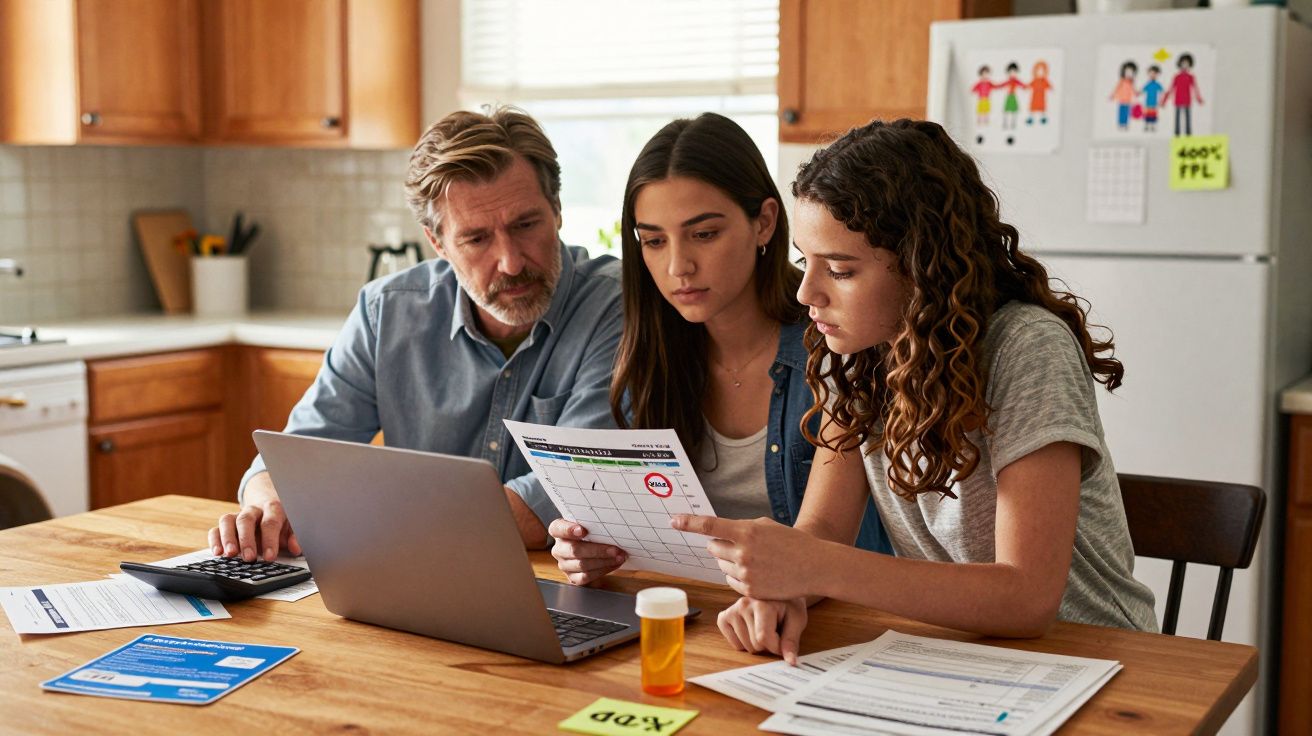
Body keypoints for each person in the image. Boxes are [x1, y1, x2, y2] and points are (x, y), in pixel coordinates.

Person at [672, 119, 1158, 664]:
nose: (808, 292)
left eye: (840, 269)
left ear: (923, 268)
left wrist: (814, 566)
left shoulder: (1025, 347)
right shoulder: (854, 354)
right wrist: (782, 589)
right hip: (956, 658)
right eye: (806, 262)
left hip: (1092, 658)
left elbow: (1027, 599)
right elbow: (826, 530)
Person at [209, 107, 622, 562]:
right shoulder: (386, 311)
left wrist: (351, 512)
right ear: (438, 243)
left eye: (526, 225)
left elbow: (569, 491)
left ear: (558, 211)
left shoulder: (616, 307)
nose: (510, 262)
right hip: (417, 574)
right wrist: (267, 500)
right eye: (477, 239)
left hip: (564, 585)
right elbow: (295, 458)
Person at [548, 113, 891, 586]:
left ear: (764, 222)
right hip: (701, 614)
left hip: (829, 618)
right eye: (653, 241)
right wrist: (592, 546)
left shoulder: (838, 344)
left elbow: (825, 543)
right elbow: (650, 539)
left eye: (704, 234)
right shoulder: (649, 357)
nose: (678, 266)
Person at [1111, 61, 1138, 131]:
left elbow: (1133, 90)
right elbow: (1117, 88)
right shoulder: (1122, 81)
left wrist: (1136, 94)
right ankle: (1120, 124)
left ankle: (1125, 124)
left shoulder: (1131, 82)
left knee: (1127, 113)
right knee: (1121, 113)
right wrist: (1113, 95)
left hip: (1128, 100)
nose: (1129, 74)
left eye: (1131, 73)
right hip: (1121, 100)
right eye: (1127, 72)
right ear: (1123, 72)